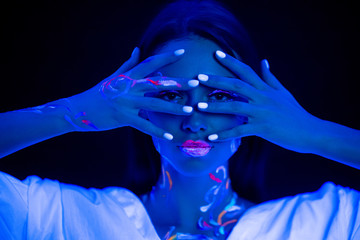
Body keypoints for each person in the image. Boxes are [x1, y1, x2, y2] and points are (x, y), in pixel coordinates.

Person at [1, 0, 359, 239]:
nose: (194, 121)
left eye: (219, 96)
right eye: (171, 96)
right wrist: (73, 112)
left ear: (255, 105)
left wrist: (315, 133)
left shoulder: (327, 223)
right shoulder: (57, 219)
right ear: (138, 106)